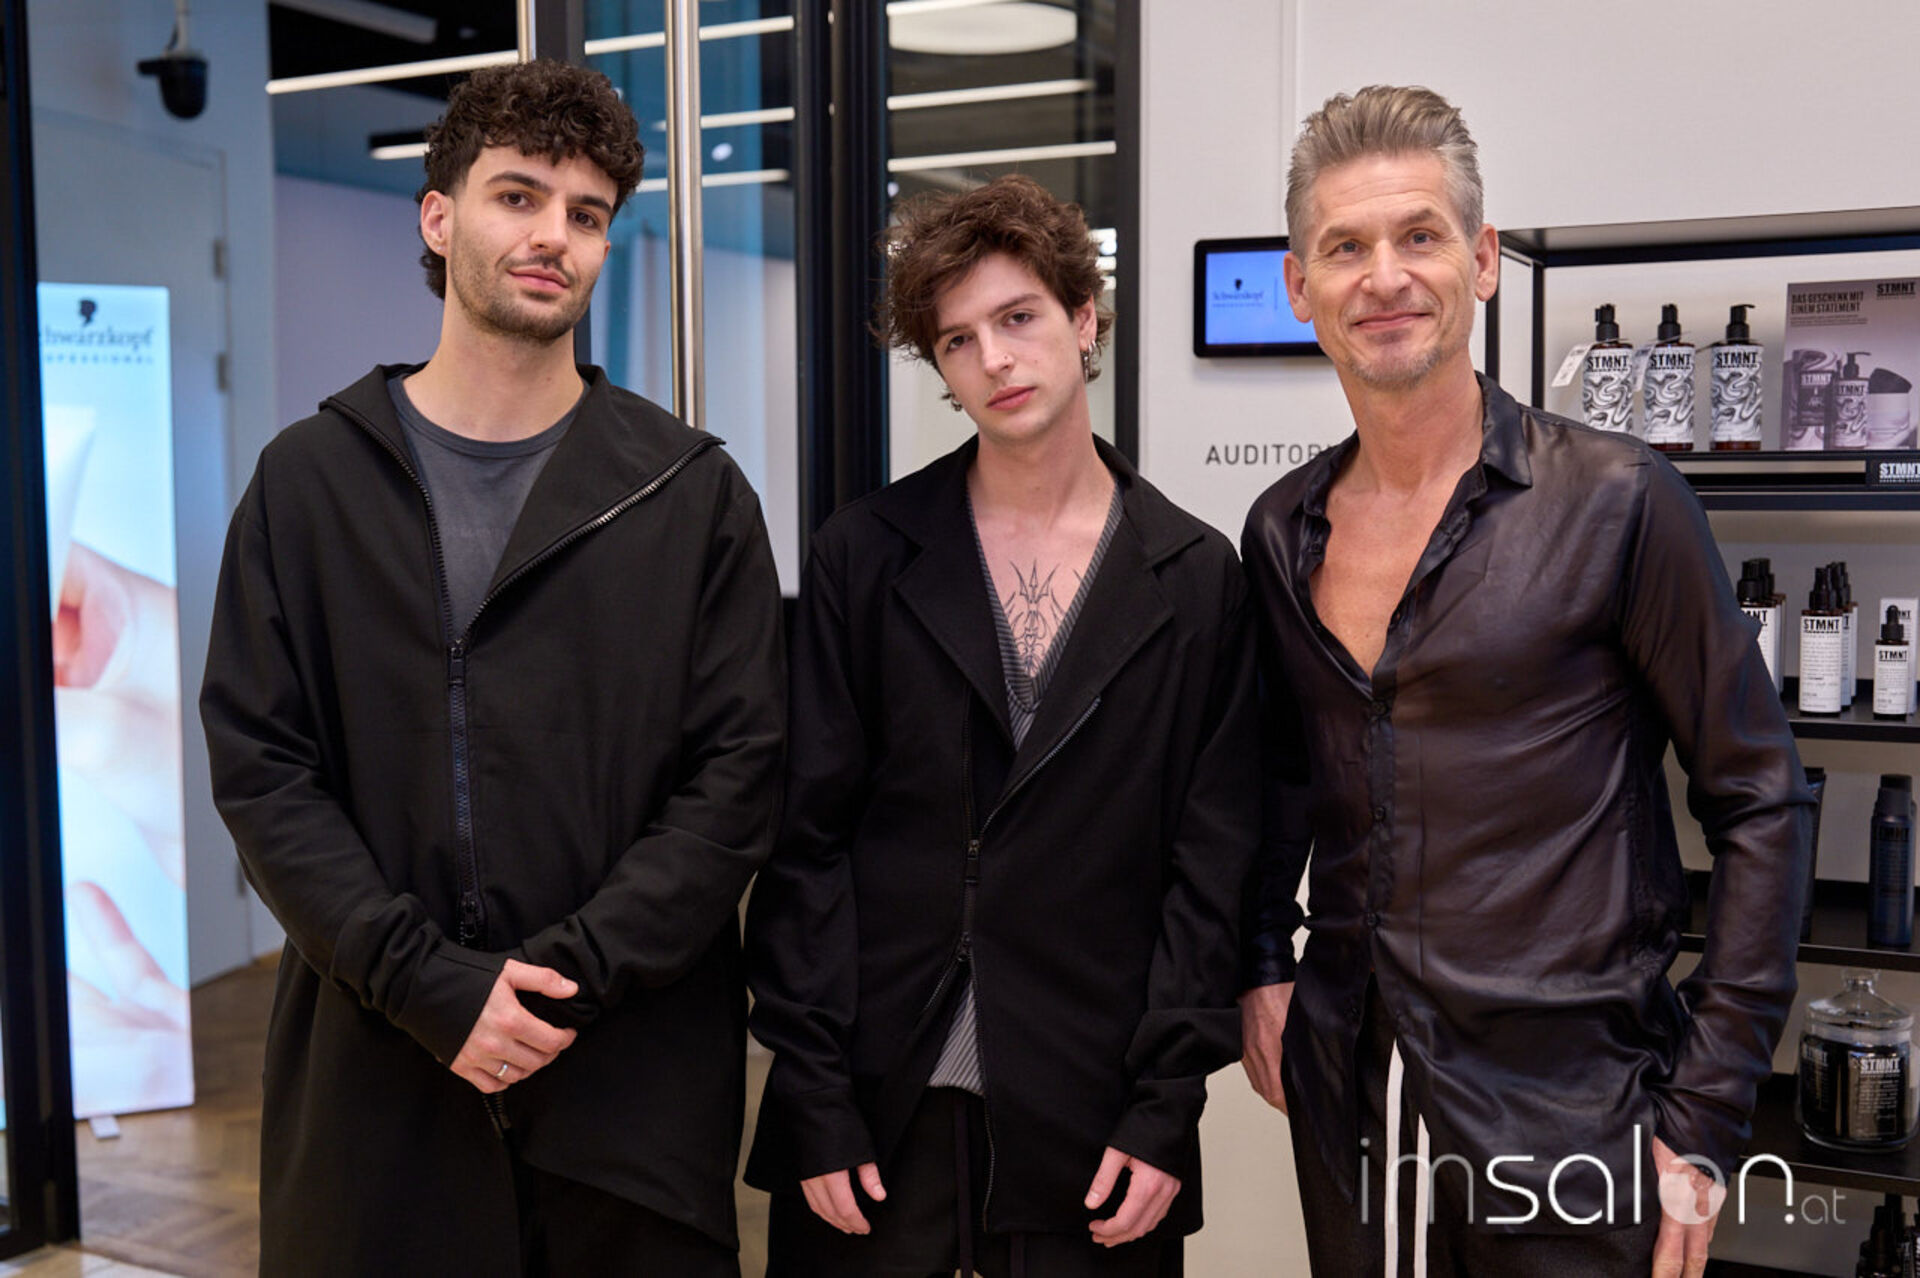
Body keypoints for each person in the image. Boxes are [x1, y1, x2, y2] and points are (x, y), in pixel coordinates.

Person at [200, 59, 783, 1277]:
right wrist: (429, 985)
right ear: (438, 216)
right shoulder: (308, 484)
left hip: (625, 1095)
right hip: (380, 1078)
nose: (552, 236)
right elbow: (264, 770)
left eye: (587, 214)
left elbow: (737, 780)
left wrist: (561, 982)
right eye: (518, 196)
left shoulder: (691, 494)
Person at [1237, 85, 1812, 1277]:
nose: (1384, 277)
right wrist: (1261, 961)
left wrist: (1709, 1109)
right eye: (1344, 247)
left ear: (1484, 259)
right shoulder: (1281, 530)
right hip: (1352, 1085)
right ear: (1299, 286)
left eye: (1419, 235)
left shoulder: (1618, 500)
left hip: (1575, 1103)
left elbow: (1760, 797)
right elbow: (1281, 775)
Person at [744, 174, 1259, 1277]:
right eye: (958, 341)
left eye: (1018, 317)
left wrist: (1167, 1101)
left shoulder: (1194, 576)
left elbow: (1210, 864)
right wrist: (813, 1091)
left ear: (1083, 318)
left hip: (1091, 1099)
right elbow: (805, 841)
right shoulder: (863, 554)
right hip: (877, 1095)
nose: (995, 360)